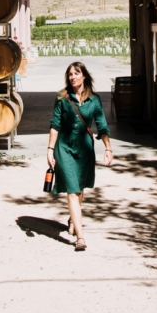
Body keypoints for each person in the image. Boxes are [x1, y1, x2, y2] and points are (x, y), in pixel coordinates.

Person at [47, 61, 113, 251]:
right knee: (73, 191)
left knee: (80, 187)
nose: (73, 77)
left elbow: (102, 126)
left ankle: (72, 219)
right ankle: (80, 237)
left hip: (84, 150)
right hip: (64, 149)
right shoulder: (62, 98)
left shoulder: (95, 100)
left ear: (84, 76)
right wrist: (50, 149)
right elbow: (55, 125)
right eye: (70, 74)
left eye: (76, 73)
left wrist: (108, 148)